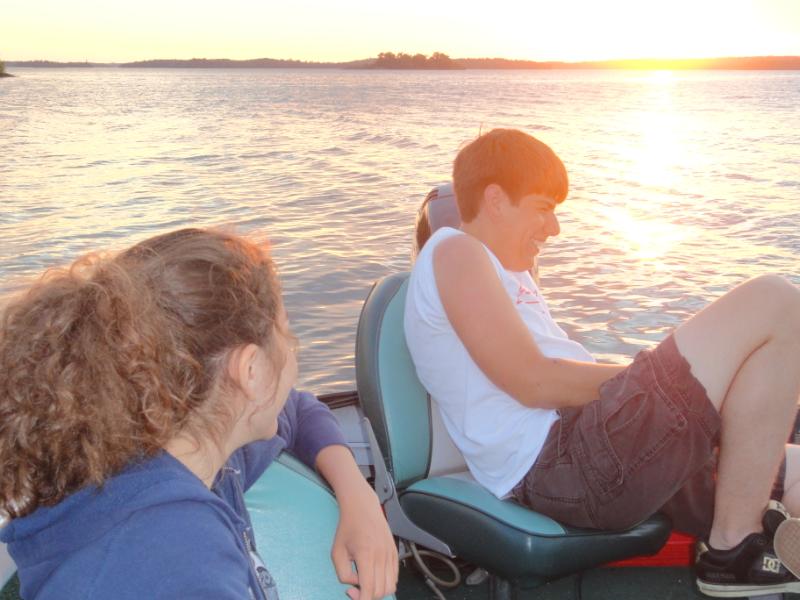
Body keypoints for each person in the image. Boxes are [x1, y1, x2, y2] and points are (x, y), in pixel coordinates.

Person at [403, 128, 800, 597]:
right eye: (543, 208)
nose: (553, 228)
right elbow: (533, 383)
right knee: (777, 301)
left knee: (791, 468)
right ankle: (733, 548)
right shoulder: (455, 250)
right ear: (494, 200)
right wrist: (655, 380)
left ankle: (754, 541)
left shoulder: (509, 274)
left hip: (593, 448)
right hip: (563, 463)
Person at [0, 228, 397, 600]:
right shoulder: (175, 558)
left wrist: (357, 494)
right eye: (286, 336)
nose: (293, 354)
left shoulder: (193, 451)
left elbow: (298, 408)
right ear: (251, 371)